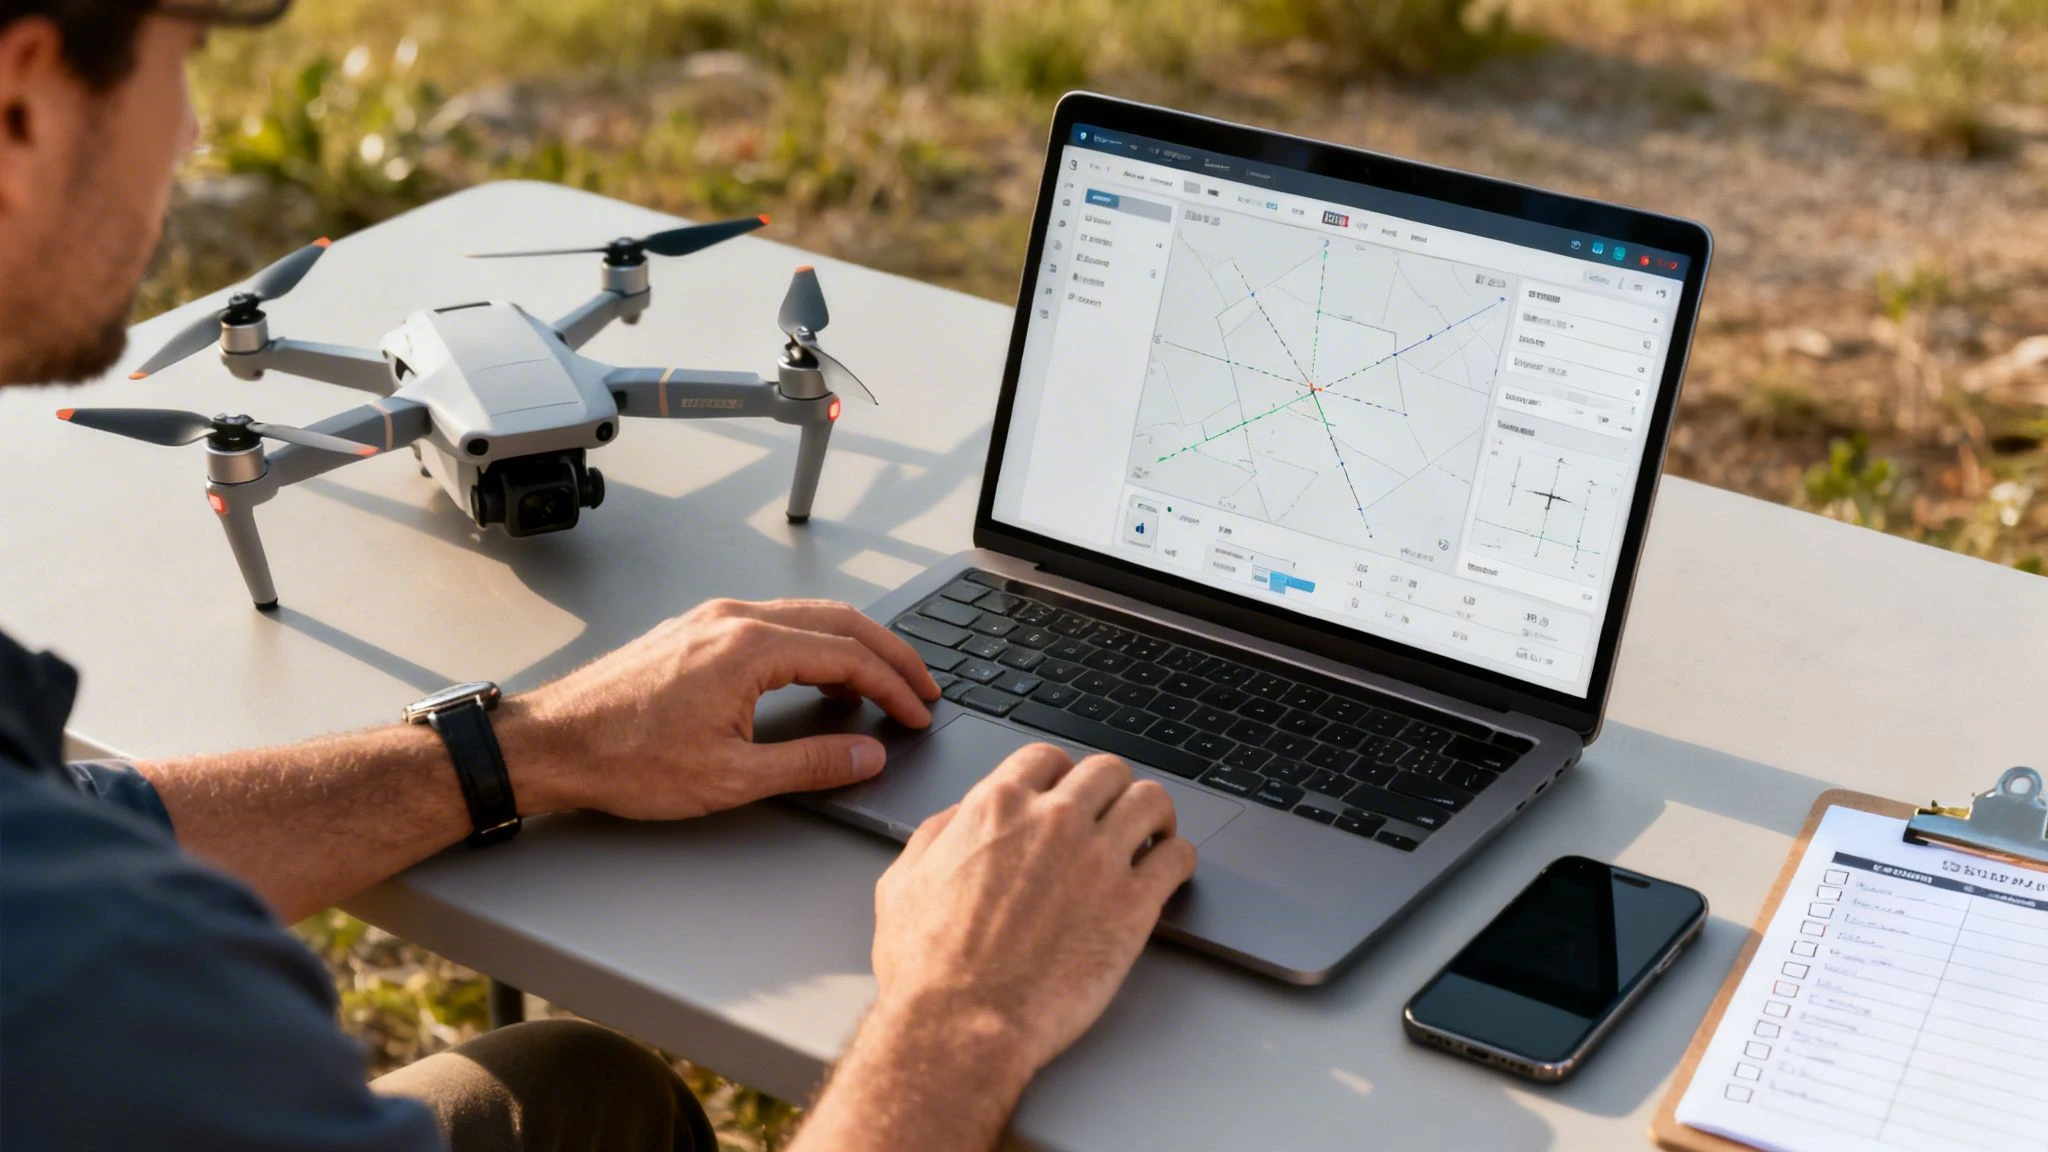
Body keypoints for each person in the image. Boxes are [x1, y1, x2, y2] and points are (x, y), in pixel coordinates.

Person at [0, 3, 1200, 1150]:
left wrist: (532, 742)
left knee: (577, 1089)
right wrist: (962, 1015)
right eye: (183, 57)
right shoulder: (103, 992)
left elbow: (58, 814)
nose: (193, 132)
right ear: (23, 98)